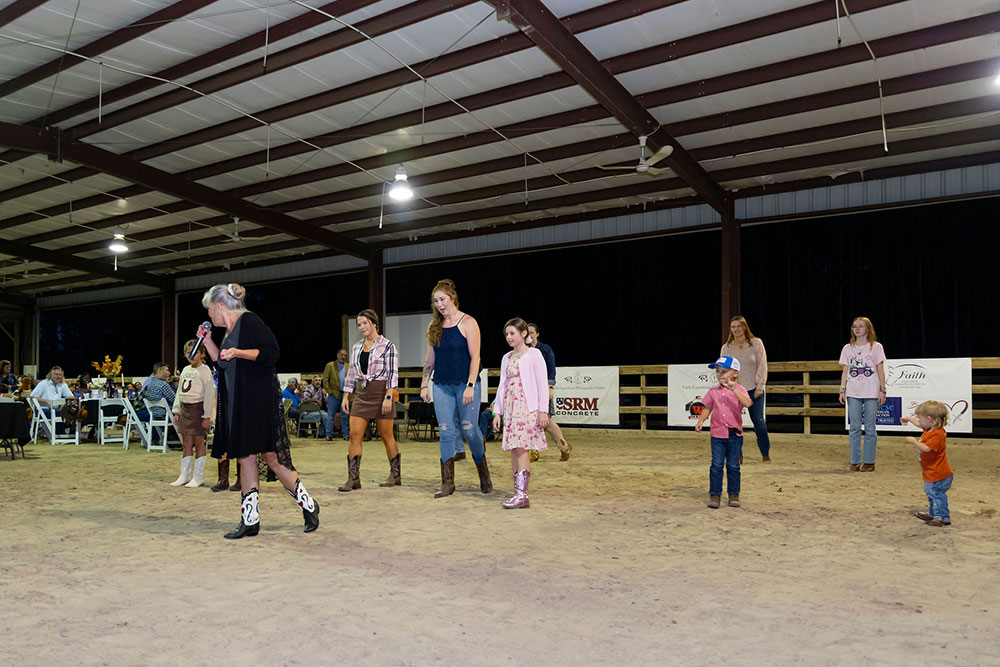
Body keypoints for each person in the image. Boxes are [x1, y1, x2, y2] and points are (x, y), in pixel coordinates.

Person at [201, 282, 319, 539]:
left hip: (259, 400)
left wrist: (240, 352)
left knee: (273, 458)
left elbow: (271, 352)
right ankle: (250, 519)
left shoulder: (249, 321)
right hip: (238, 402)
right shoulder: (229, 331)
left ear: (219, 306)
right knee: (245, 457)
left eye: (210, 310)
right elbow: (222, 362)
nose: (209, 316)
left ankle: (308, 505)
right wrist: (208, 342)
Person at [420, 279, 493, 498]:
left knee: (470, 430)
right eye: (435, 301)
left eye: (442, 299)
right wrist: (424, 383)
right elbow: (430, 359)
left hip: (465, 384)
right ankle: (447, 483)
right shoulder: (434, 327)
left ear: (452, 298)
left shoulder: (468, 322)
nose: (439, 304)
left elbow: (475, 356)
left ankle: (484, 474)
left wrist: (471, 385)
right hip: (442, 385)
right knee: (446, 431)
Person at [340, 309, 402, 490]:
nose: (362, 327)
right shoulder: (357, 347)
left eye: (365, 323)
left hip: (382, 392)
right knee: (354, 435)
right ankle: (353, 479)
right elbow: (352, 372)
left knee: (386, 435)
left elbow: (393, 374)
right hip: (361, 393)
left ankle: (395, 475)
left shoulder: (388, 346)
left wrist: (388, 397)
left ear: (374, 324)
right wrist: (346, 395)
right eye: (359, 324)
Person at [492, 318, 549, 509]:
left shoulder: (534, 354)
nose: (509, 337)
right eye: (507, 334)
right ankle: (517, 492)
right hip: (510, 407)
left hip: (526, 407)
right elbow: (502, 385)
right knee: (514, 449)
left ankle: (522, 495)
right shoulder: (506, 357)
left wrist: (543, 411)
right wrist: (497, 411)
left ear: (524, 334)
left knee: (522, 448)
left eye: (512, 333)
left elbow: (542, 384)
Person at [695, 356, 752, 509]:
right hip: (717, 435)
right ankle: (715, 495)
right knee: (716, 465)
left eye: (724, 371)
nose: (720, 374)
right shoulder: (713, 391)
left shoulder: (740, 390)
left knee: (733, 466)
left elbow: (747, 403)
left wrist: (734, 389)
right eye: (718, 371)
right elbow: (707, 407)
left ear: (735, 374)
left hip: (735, 435)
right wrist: (701, 420)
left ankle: (734, 494)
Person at [838, 317, 886, 472]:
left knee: (870, 428)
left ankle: (869, 462)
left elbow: (880, 370)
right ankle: (855, 461)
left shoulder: (876, 347)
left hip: (871, 392)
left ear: (868, 329)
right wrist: (842, 389)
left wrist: (882, 390)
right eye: (854, 326)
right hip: (853, 392)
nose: (857, 329)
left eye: (860, 326)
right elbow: (846, 370)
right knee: (855, 427)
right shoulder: (847, 348)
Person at [720, 315, 770, 463]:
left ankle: (765, 453)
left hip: (754, 389)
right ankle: (737, 455)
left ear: (744, 327)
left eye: (739, 326)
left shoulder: (756, 343)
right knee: (734, 424)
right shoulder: (726, 348)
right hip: (734, 390)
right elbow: (722, 368)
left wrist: (760, 385)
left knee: (759, 422)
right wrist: (726, 386)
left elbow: (762, 364)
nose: (736, 329)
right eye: (733, 327)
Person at [170, 339, 216, 488]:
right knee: (186, 442)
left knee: (199, 442)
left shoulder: (205, 371)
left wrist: (207, 416)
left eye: (195, 352)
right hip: (185, 409)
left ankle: (199, 476)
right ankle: (184, 475)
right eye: (189, 352)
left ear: (202, 354)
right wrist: (177, 410)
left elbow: (209, 394)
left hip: (198, 409)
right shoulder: (185, 370)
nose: (192, 355)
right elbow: (179, 392)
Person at [901, 401, 954, 527]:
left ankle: (942, 517)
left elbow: (926, 448)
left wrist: (913, 441)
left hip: (938, 473)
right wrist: (908, 419)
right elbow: (920, 424)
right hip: (931, 472)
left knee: (937, 495)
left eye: (920, 418)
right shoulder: (931, 428)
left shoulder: (937, 434)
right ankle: (934, 513)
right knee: (932, 495)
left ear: (930, 419)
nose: (919, 421)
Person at [526, 323, 572, 461]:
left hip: (543, 390)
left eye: (532, 332)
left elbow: (551, 370)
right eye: (527, 333)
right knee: (528, 421)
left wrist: (550, 387)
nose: (529, 335)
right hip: (528, 391)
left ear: (537, 334)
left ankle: (564, 447)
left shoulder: (545, 350)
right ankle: (533, 451)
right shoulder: (523, 351)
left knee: (548, 422)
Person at [135, 362, 177, 446]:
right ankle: (186, 442)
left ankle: (160, 439)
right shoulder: (163, 385)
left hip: (154, 416)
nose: (169, 373)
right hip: (165, 416)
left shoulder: (150, 385)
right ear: (160, 371)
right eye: (167, 370)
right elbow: (175, 400)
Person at [30, 366, 74, 430]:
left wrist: (65, 403)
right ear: (51, 375)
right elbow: (32, 396)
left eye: (60, 375)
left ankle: (72, 433)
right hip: (43, 410)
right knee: (63, 412)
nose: (58, 376)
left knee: (73, 411)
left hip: (56, 409)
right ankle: (60, 433)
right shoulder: (43, 383)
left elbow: (71, 396)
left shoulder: (62, 385)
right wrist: (45, 401)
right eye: (56, 374)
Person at [323, 348, 350, 441]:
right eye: (342, 355)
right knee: (330, 415)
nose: (343, 357)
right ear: (337, 355)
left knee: (345, 416)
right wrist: (330, 392)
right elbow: (325, 380)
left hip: (345, 395)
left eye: (345, 355)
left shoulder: (348, 366)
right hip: (333, 394)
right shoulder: (330, 365)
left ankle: (346, 434)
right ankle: (329, 434)